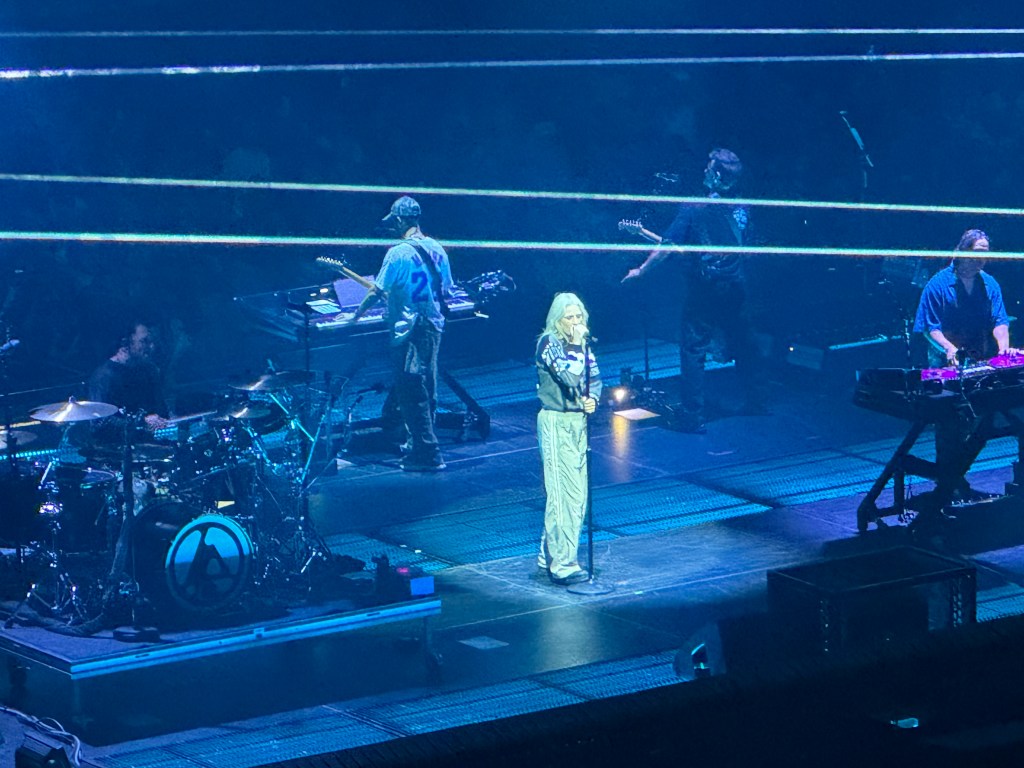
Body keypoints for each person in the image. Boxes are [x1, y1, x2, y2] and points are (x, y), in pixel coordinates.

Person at [622, 148, 766, 433]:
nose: (703, 171)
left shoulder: (694, 207)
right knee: (744, 343)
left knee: (693, 349)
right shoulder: (743, 208)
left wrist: (641, 270)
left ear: (717, 175)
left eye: (708, 168)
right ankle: (757, 401)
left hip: (705, 288)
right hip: (736, 287)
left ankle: (692, 415)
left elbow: (668, 247)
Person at [351, 196, 453, 472]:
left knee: (411, 391)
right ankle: (417, 444)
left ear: (398, 220)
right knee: (428, 388)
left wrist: (355, 317)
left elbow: (376, 291)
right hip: (433, 326)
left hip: (410, 330)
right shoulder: (437, 248)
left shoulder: (397, 253)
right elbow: (446, 289)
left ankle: (427, 453)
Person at [535, 292, 602, 586]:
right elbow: (570, 377)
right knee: (565, 495)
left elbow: (594, 378)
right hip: (556, 421)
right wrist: (575, 345)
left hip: (578, 422)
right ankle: (563, 564)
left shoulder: (583, 346)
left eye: (578, 316)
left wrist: (593, 399)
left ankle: (547, 554)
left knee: (575, 495)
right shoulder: (549, 344)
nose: (575, 322)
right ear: (557, 319)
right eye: (569, 317)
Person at [913, 229, 1010, 367]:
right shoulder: (937, 284)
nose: (981, 259)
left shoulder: (990, 284)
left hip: (979, 358)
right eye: (978, 252)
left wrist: (1004, 350)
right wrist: (949, 349)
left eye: (985, 254)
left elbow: (1000, 322)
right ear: (964, 251)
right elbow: (931, 328)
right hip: (943, 362)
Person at [87, 322, 168, 432]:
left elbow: (161, 409)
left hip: (152, 437)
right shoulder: (104, 376)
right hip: (117, 440)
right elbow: (100, 421)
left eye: (153, 341)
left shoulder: (150, 370)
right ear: (126, 342)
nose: (152, 346)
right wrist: (141, 422)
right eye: (144, 341)